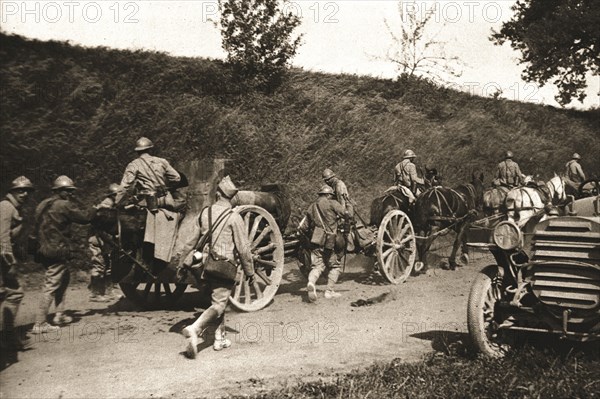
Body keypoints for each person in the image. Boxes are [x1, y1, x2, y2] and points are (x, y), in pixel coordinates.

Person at [178, 176, 255, 359]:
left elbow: (191, 241)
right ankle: (195, 329)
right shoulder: (234, 217)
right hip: (222, 265)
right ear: (232, 198)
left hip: (203, 265)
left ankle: (219, 339)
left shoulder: (205, 213)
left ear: (218, 194)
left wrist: (183, 262)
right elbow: (243, 249)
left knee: (215, 301)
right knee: (219, 304)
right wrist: (250, 271)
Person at [31, 176, 94, 334]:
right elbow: (85, 218)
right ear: (60, 191)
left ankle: (59, 314)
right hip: (57, 249)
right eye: (68, 191)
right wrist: (96, 207)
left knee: (63, 279)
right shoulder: (64, 205)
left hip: (42, 248)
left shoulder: (43, 204)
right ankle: (40, 323)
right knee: (51, 284)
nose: (71, 194)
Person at [0, 176, 34, 363]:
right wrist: (10, 262)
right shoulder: (6, 207)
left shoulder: (15, 208)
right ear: (12, 191)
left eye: (27, 191)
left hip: (3, 258)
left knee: (14, 294)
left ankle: (7, 335)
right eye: (20, 190)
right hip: (2, 258)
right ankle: (7, 337)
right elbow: (2, 237)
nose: (24, 194)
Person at [298, 185, 346, 302]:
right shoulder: (332, 203)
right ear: (329, 195)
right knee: (335, 266)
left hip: (316, 239)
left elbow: (304, 226)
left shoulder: (312, 206)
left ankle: (311, 282)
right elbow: (346, 214)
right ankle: (329, 292)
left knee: (317, 266)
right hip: (330, 240)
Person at [114, 137, 181, 209]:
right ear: (150, 149)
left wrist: (117, 202)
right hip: (167, 200)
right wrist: (166, 188)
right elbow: (176, 178)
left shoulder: (133, 165)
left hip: (148, 203)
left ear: (137, 151)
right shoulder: (162, 161)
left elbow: (124, 186)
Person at [88, 183, 122, 302]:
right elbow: (100, 227)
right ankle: (94, 293)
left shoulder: (112, 206)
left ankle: (109, 292)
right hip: (97, 239)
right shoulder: (104, 208)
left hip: (106, 239)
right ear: (113, 195)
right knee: (98, 265)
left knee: (108, 265)